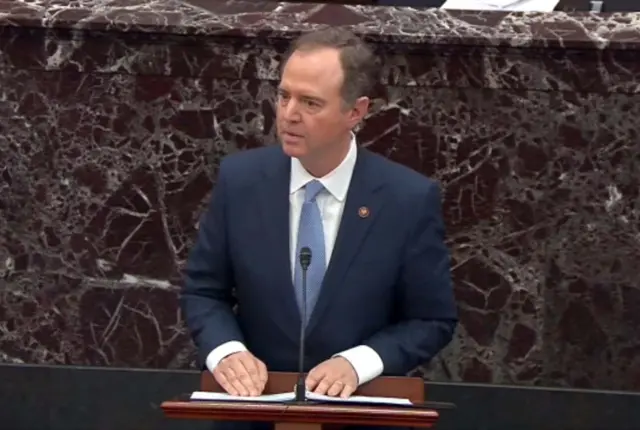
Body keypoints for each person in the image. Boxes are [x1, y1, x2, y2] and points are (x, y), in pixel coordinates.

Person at [180, 27, 458, 428]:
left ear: (356, 112)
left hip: (357, 414)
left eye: (311, 103)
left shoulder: (406, 200)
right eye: (284, 95)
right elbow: (204, 292)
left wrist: (357, 362)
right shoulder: (240, 181)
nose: (290, 114)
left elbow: (432, 320)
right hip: (252, 413)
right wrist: (226, 351)